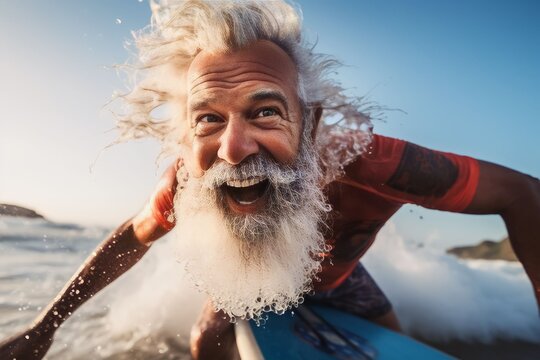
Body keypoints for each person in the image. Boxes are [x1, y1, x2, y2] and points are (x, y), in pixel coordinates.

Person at [1, 1, 539, 359]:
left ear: (312, 125)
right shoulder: (193, 175)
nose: (234, 150)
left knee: (391, 340)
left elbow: (521, 193)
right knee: (207, 339)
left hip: (338, 280)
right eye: (209, 118)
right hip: (247, 280)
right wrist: (44, 329)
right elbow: (131, 238)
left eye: (265, 113)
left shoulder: (373, 166)